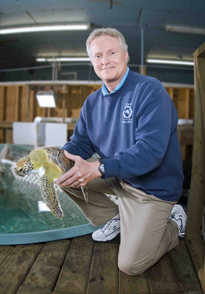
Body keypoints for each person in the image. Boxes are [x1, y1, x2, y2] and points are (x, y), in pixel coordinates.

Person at [56, 28, 187, 275]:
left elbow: (150, 151)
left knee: (130, 265)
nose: (105, 60)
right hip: (119, 178)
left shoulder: (150, 90)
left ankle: (173, 223)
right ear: (92, 62)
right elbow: (80, 144)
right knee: (64, 177)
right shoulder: (92, 103)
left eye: (112, 52)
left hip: (153, 189)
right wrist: (54, 157)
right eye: (97, 56)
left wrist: (100, 168)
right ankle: (116, 219)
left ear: (126, 55)